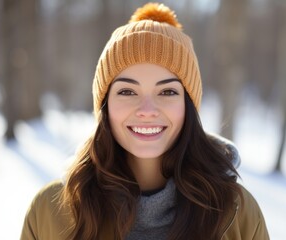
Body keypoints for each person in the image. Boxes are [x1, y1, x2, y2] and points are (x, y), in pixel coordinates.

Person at [21, 2, 269, 240]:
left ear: (189, 106)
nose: (147, 110)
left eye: (167, 92)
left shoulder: (237, 212)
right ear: (105, 105)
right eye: (127, 92)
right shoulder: (49, 213)